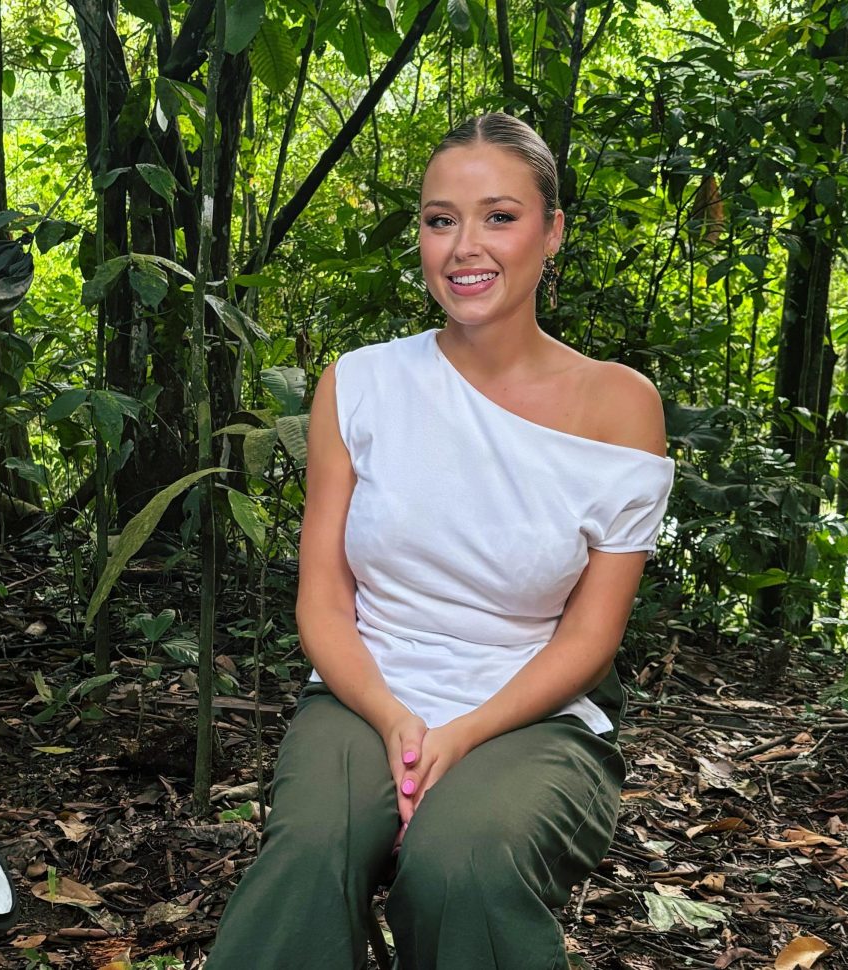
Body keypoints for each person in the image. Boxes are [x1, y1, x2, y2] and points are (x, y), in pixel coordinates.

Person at [201, 112, 676, 970]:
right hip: (364, 689)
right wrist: (395, 721)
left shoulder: (621, 406)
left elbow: (590, 638)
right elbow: (325, 599)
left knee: (462, 864)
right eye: (439, 219)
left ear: (552, 232)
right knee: (311, 849)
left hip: (532, 712)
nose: (465, 246)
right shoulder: (362, 383)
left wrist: (462, 735)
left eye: (499, 216)